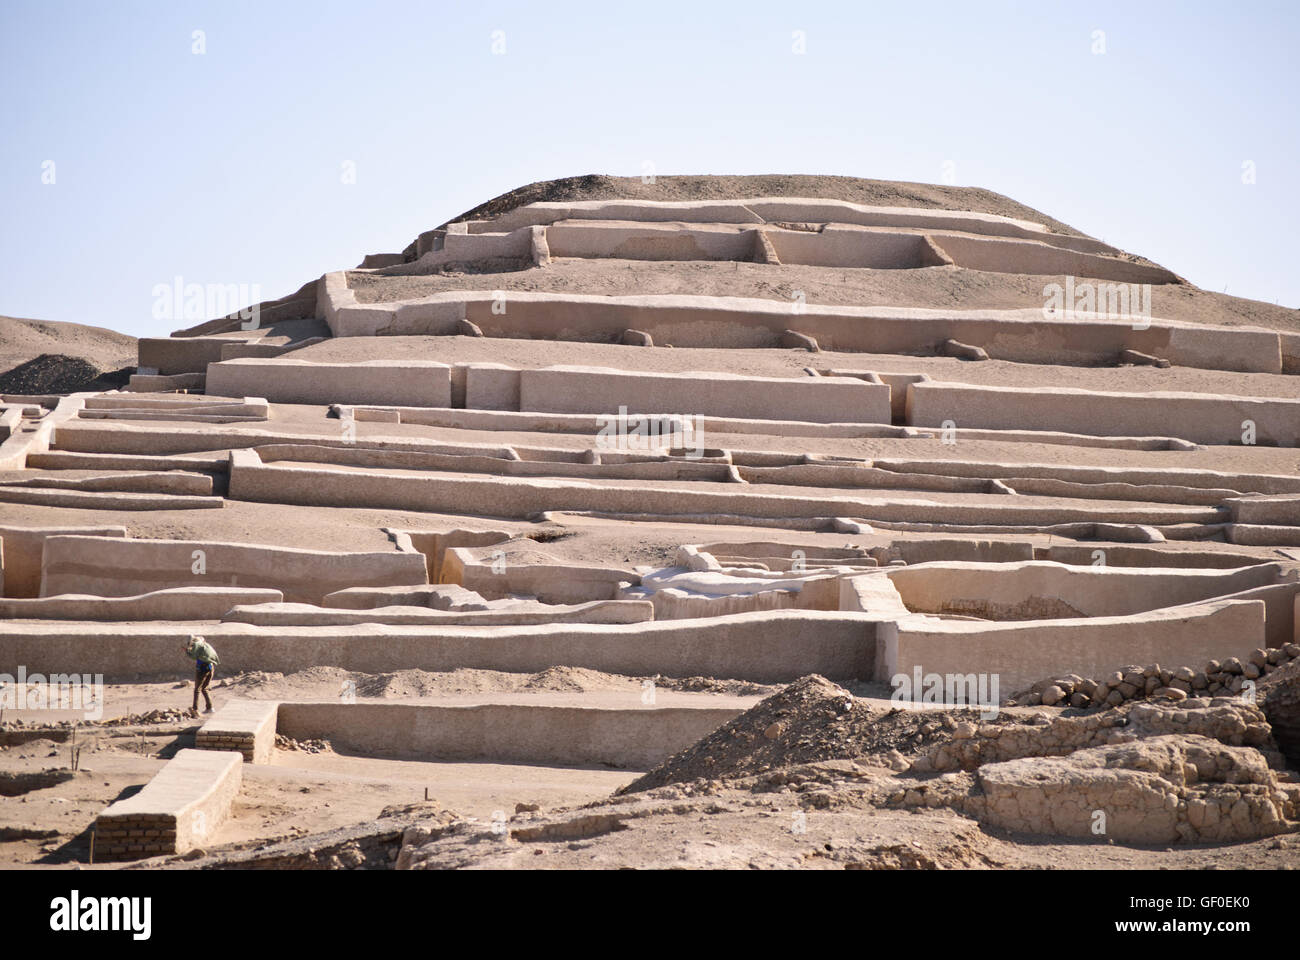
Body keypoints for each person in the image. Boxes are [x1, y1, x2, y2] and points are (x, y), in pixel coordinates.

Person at [184, 636, 220, 716]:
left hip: (202, 669)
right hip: (210, 667)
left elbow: (193, 656)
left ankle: (195, 710)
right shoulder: (205, 645)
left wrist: (187, 651)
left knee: (197, 689)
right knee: (205, 688)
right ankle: (210, 708)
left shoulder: (197, 646)